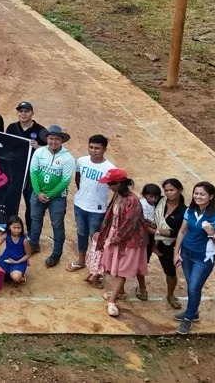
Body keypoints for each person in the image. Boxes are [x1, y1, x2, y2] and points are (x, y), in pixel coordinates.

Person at [174, 181, 215, 335]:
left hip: (203, 259)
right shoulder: (190, 211)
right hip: (186, 254)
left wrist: (210, 233)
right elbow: (182, 232)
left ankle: (189, 318)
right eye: (196, 193)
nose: (198, 196)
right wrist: (176, 252)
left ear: (211, 196)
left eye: (202, 194)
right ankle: (193, 311)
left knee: (194, 288)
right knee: (192, 287)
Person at [96, 168, 149, 317]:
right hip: (117, 236)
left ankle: (112, 301)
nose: (109, 187)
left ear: (119, 183)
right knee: (117, 266)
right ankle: (121, 292)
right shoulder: (117, 195)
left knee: (121, 270)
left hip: (129, 240)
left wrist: (113, 239)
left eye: (111, 184)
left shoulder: (133, 201)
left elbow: (129, 224)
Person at [28, 125, 75, 268]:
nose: (53, 141)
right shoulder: (39, 152)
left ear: (61, 140)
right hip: (38, 193)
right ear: (46, 139)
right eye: (51, 138)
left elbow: (65, 181)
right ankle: (34, 244)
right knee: (35, 219)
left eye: (56, 139)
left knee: (57, 224)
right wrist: (38, 192)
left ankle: (56, 253)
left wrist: (48, 195)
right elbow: (33, 172)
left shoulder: (68, 158)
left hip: (57, 197)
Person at [69, 134, 116, 273]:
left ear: (104, 150)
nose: (93, 151)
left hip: (97, 209)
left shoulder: (110, 169)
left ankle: (96, 268)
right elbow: (78, 178)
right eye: (91, 147)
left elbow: (115, 188)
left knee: (96, 239)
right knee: (81, 233)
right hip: (79, 205)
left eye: (97, 148)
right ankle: (81, 261)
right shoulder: (82, 161)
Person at [5, 101, 47, 223]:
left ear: (32, 113)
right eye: (20, 111)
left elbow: (49, 153)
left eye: (26, 111)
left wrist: (38, 147)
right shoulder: (12, 128)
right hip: (14, 171)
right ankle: (8, 227)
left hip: (31, 174)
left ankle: (30, 230)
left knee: (30, 204)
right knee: (10, 201)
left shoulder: (41, 131)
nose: (23, 114)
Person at [154, 178, 186, 310]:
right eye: (166, 190)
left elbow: (178, 232)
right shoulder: (159, 201)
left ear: (179, 190)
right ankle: (142, 288)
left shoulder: (184, 211)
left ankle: (170, 295)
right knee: (139, 263)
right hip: (150, 238)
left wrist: (157, 230)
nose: (168, 193)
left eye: (171, 190)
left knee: (170, 272)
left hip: (167, 244)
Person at [0, 216, 29, 284]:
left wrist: (16, 262)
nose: (16, 230)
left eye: (19, 228)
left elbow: (28, 255)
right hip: (5, 259)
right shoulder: (6, 235)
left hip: (19, 261)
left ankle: (20, 276)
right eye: (14, 227)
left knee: (16, 278)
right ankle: (8, 274)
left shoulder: (24, 240)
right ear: (9, 227)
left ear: (22, 228)